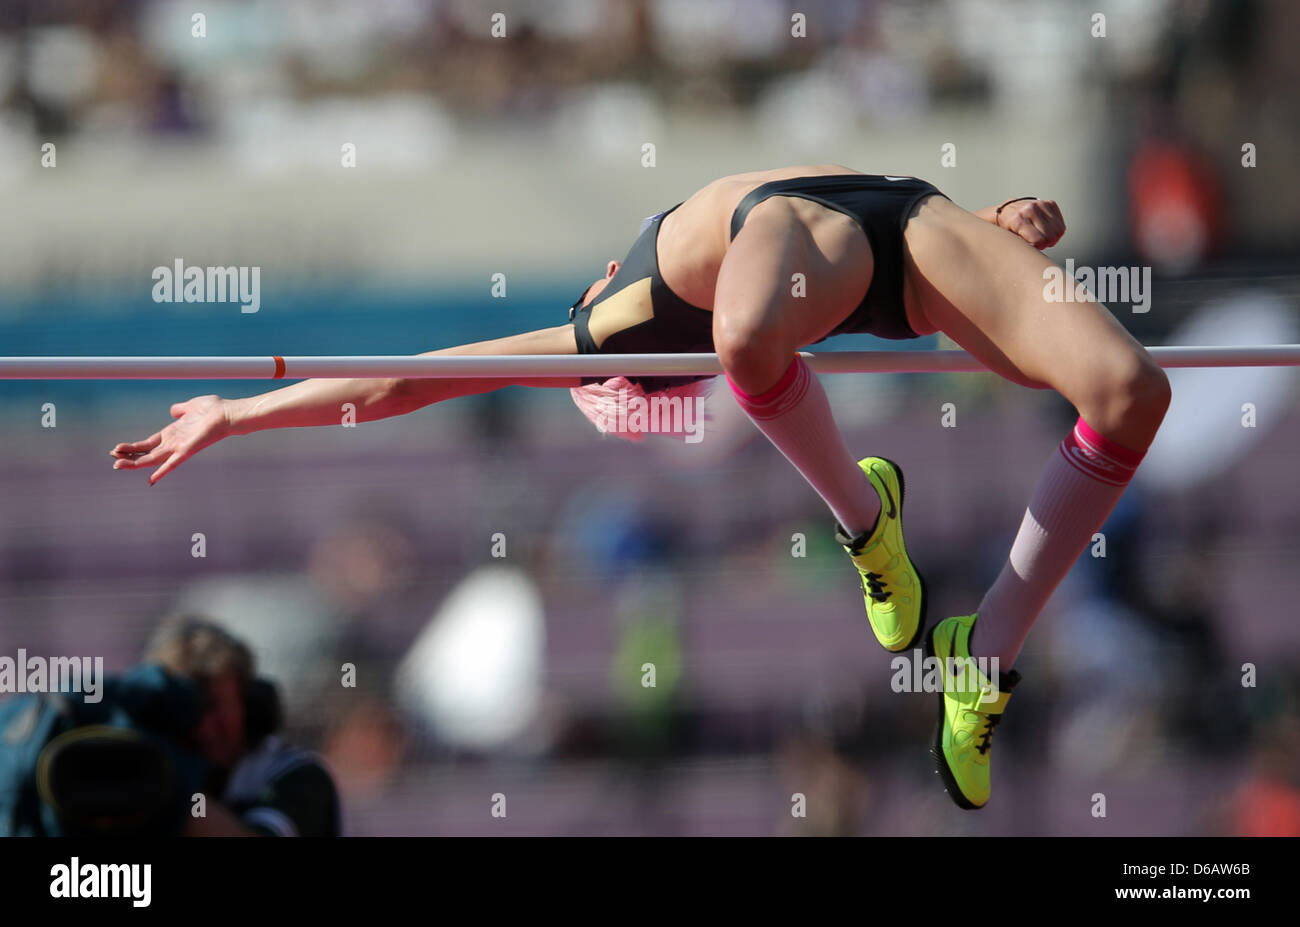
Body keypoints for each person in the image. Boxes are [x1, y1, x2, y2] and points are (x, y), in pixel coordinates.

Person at [109, 165, 1170, 810]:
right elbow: (404, 388)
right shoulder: (663, 344)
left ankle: (951, 625)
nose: (656, 391)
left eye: (633, 394)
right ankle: (893, 556)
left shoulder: (604, 322)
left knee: (1133, 395)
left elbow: (405, 381)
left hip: (865, 229)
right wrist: (241, 420)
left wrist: (238, 408)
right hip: (891, 269)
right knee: (757, 347)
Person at [143, 616, 342, 836]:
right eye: (187, 710)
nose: (204, 729)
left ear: (247, 702)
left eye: (214, 706)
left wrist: (168, 793)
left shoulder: (300, 777)